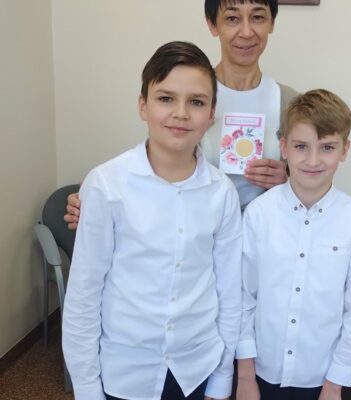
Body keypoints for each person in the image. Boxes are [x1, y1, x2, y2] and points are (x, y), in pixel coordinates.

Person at [62, 41, 242, 400]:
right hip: (126, 371)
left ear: (212, 114)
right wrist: (86, 387)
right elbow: (84, 294)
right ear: (143, 105)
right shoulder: (106, 184)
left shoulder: (222, 192)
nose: (181, 113)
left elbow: (228, 290)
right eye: (166, 98)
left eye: (196, 102)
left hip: (196, 367)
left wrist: (222, 377)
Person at [64, 0, 297, 228]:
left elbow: (310, 184)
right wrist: (99, 197)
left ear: (271, 23)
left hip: (263, 235)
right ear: (212, 24)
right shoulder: (187, 90)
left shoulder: (290, 103)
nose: (246, 32)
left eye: (257, 17)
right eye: (232, 18)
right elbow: (153, 164)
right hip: (193, 233)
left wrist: (289, 183)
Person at [235, 89, 351, 400]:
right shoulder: (258, 214)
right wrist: (245, 375)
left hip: (323, 378)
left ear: (344, 149)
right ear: (284, 148)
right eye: (301, 146)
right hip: (261, 374)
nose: (313, 161)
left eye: (327, 147)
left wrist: (335, 383)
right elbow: (243, 297)